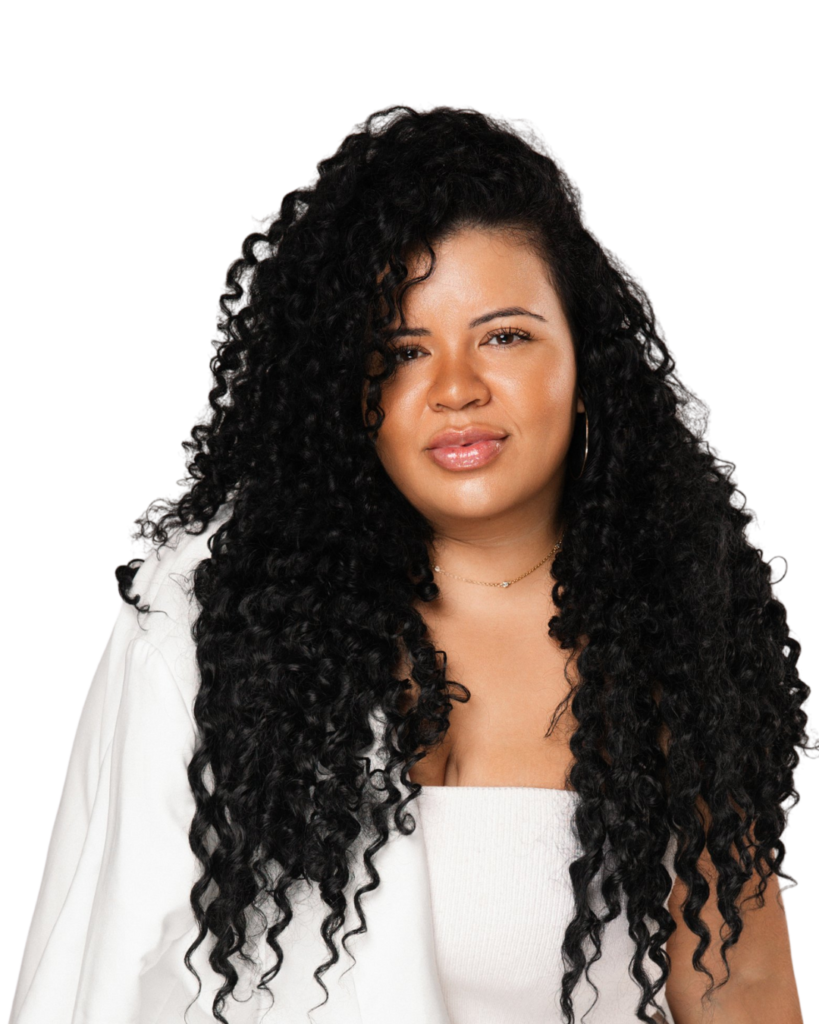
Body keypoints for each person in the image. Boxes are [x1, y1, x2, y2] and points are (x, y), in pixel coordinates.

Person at [9, 103, 809, 1024]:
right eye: (400, 351)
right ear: (346, 392)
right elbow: (98, 978)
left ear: (588, 364)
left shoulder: (671, 627)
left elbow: (738, 985)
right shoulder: (211, 624)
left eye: (504, 335)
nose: (455, 388)